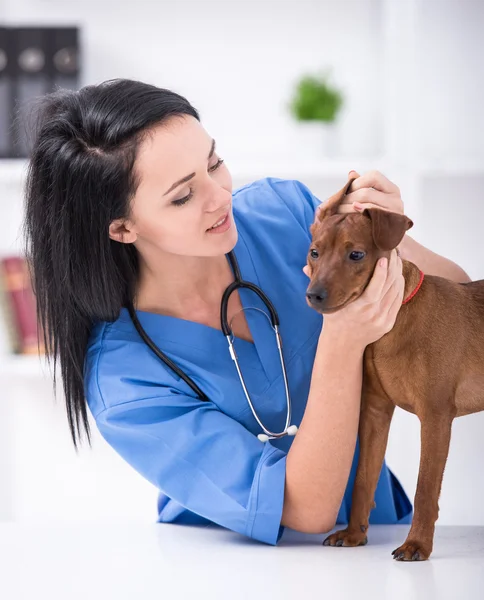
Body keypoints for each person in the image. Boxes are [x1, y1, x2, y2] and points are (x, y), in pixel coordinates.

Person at [23, 79, 471, 546]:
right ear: (121, 227)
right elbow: (305, 508)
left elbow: (457, 304)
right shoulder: (123, 383)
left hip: (378, 544)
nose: (220, 196)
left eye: (214, 162)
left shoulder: (289, 214)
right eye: (182, 196)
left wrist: (388, 238)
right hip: (235, 572)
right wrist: (342, 340)